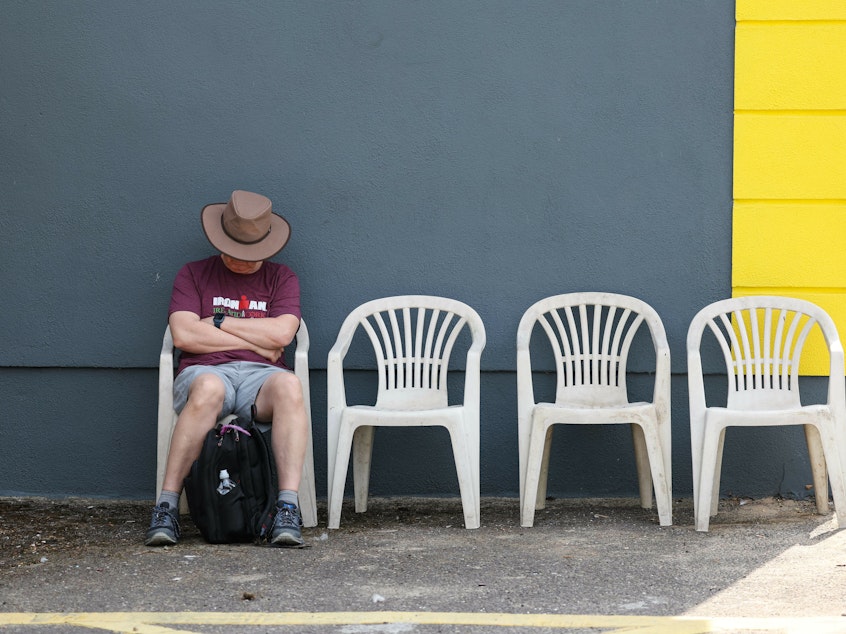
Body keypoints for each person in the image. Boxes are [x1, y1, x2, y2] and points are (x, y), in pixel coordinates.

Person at [146, 190, 309, 548]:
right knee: (208, 389)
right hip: (205, 372)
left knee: (291, 387)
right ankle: (167, 508)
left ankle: (286, 508)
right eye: (237, 252)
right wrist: (255, 341)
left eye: (254, 255)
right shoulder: (194, 274)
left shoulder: (282, 278)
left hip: (261, 379)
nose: (245, 261)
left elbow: (283, 333)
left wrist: (218, 320)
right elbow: (185, 334)